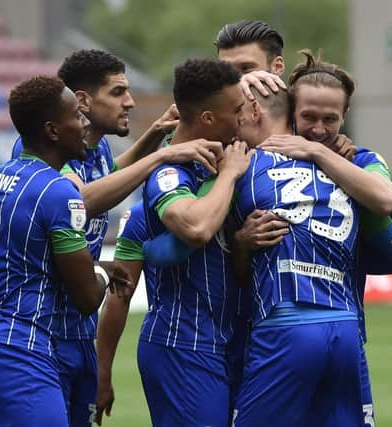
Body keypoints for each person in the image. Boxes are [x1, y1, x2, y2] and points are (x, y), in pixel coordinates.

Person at [10, 49, 220, 427]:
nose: (131, 101)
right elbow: (80, 201)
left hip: (78, 331)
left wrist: (154, 136)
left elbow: (106, 179)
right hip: (42, 335)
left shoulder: (96, 148)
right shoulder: (48, 151)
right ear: (84, 102)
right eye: (118, 91)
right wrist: (160, 157)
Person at [230, 50, 392, 426]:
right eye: (308, 117)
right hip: (343, 327)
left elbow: (386, 199)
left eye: (330, 120)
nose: (319, 129)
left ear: (345, 117)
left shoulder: (249, 162)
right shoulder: (354, 164)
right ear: (290, 109)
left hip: (286, 325)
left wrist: (317, 151)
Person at [0, 76, 130, 426]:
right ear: (53, 130)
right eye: (75, 116)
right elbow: (85, 297)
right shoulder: (58, 192)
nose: (84, 123)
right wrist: (99, 272)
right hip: (24, 347)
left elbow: (26, 252)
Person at [136, 58, 253, 427]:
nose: (242, 119)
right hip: (182, 343)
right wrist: (231, 174)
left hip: (218, 341)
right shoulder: (169, 173)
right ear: (206, 119)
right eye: (236, 111)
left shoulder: (211, 165)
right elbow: (196, 227)